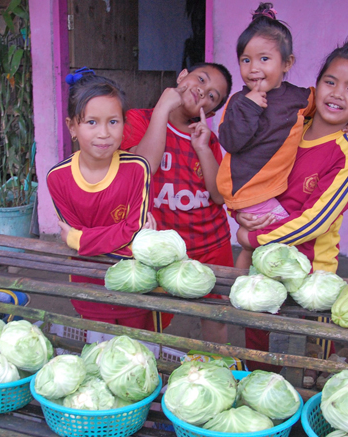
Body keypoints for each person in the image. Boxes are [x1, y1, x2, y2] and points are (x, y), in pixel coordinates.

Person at [237, 39, 348, 374]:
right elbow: (247, 173)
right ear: (315, 85)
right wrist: (241, 211)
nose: (337, 94)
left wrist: (253, 239)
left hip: (310, 278)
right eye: (330, 82)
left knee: (304, 366)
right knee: (258, 358)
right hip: (265, 266)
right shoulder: (288, 129)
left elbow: (314, 221)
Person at [217, 3, 348, 270]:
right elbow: (231, 142)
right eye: (245, 60)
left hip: (266, 190)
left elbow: (325, 104)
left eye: (264, 59)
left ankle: (241, 285)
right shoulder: (239, 102)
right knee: (272, 247)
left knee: (255, 247)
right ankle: (238, 291)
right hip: (247, 188)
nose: (253, 68)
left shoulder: (298, 98)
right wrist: (250, 106)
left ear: (287, 63)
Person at [121, 62, 234, 344]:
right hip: (160, 247)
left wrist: (202, 148)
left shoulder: (208, 140)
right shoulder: (139, 119)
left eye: (212, 97)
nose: (202, 92)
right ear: (182, 75)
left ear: (209, 112)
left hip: (210, 243)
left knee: (216, 318)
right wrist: (162, 109)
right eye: (201, 80)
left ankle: (214, 366)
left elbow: (219, 196)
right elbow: (143, 167)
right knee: (151, 317)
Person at [46, 70, 163, 332]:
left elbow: (131, 235)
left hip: (136, 286)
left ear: (124, 124)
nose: (104, 133)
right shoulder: (58, 178)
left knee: (139, 354)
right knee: (100, 354)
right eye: (91, 123)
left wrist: (81, 240)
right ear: (72, 127)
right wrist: (126, 236)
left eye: (113, 122)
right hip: (88, 285)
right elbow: (132, 233)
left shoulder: (137, 169)